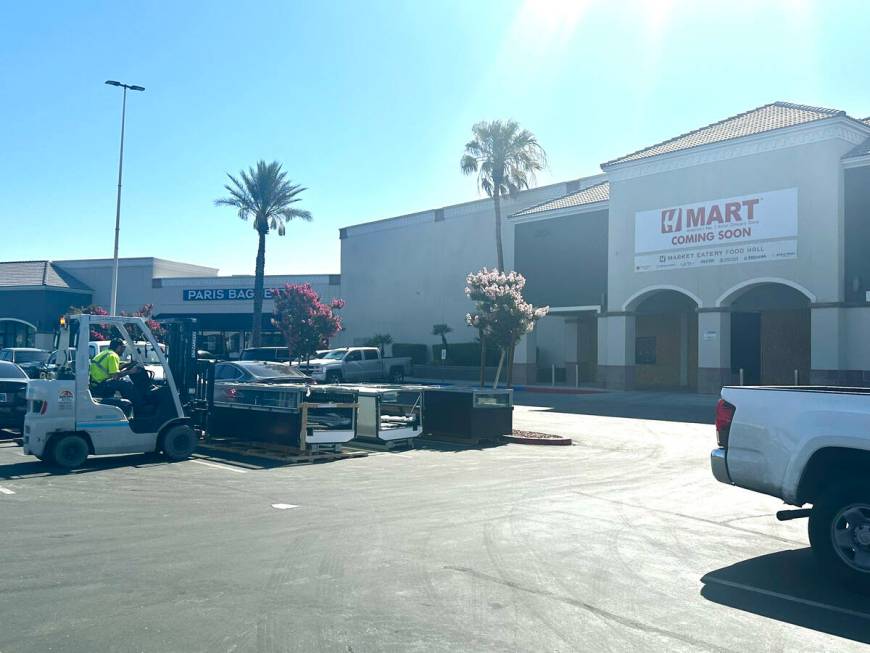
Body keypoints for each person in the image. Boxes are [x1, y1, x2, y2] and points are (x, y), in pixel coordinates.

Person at [89, 338, 143, 407]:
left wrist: (129, 364)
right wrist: (131, 371)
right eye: (123, 347)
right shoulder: (113, 356)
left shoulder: (106, 353)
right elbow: (115, 375)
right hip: (101, 386)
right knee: (126, 384)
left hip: (96, 384)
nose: (123, 350)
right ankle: (137, 406)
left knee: (120, 382)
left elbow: (115, 368)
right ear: (118, 347)